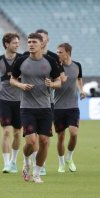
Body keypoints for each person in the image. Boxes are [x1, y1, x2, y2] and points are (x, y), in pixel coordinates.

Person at [10, 33, 61, 183]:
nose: (31, 44)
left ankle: (37, 173)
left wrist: (52, 84)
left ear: (41, 44)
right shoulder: (21, 61)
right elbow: (12, 79)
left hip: (45, 107)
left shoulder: (50, 61)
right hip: (27, 107)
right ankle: (26, 162)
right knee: (32, 142)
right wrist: (20, 85)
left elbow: (58, 82)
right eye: (29, 42)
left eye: (34, 42)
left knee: (44, 141)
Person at [0, 33, 22, 173]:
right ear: (6, 44)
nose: (17, 45)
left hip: (21, 101)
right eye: (14, 43)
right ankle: (6, 164)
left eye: (18, 43)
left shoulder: (22, 59)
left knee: (17, 133)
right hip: (4, 100)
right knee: (6, 131)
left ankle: (14, 161)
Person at [55, 43, 85, 173]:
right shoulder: (56, 67)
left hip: (73, 106)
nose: (58, 54)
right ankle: (61, 163)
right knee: (60, 137)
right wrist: (60, 81)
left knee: (74, 133)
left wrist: (81, 90)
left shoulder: (77, 65)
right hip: (58, 107)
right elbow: (52, 83)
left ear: (67, 52)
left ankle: (69, 157)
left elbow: (79, 79)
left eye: (60, 52)